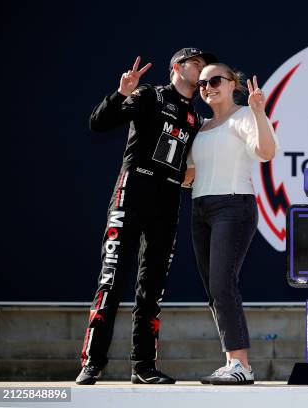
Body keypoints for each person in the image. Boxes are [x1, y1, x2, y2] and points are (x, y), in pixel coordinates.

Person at [76, 48, 217, 385]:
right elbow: (98, 123)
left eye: (203, 65)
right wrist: (122, 92)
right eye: (195, 63)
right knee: (112, 278)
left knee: (152, 287)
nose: (200, 69)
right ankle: (92, 363)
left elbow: (189, 168)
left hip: (168, 199)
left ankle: (143, 365)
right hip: (133, 189)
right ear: (176, 68)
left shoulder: (196, 119)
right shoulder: (151, 95)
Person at [185, 63, 278, 385]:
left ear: (231, 83)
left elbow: (266, 153)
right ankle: (231, 363)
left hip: (233, 206)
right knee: (215, 288)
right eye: (201, 84)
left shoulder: (245, 116)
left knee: (223, 284)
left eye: (215, 81)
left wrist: (259, 112)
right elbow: (188, 176)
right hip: (200, 209)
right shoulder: (201, 126)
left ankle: (241, 365)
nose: (208, 87)